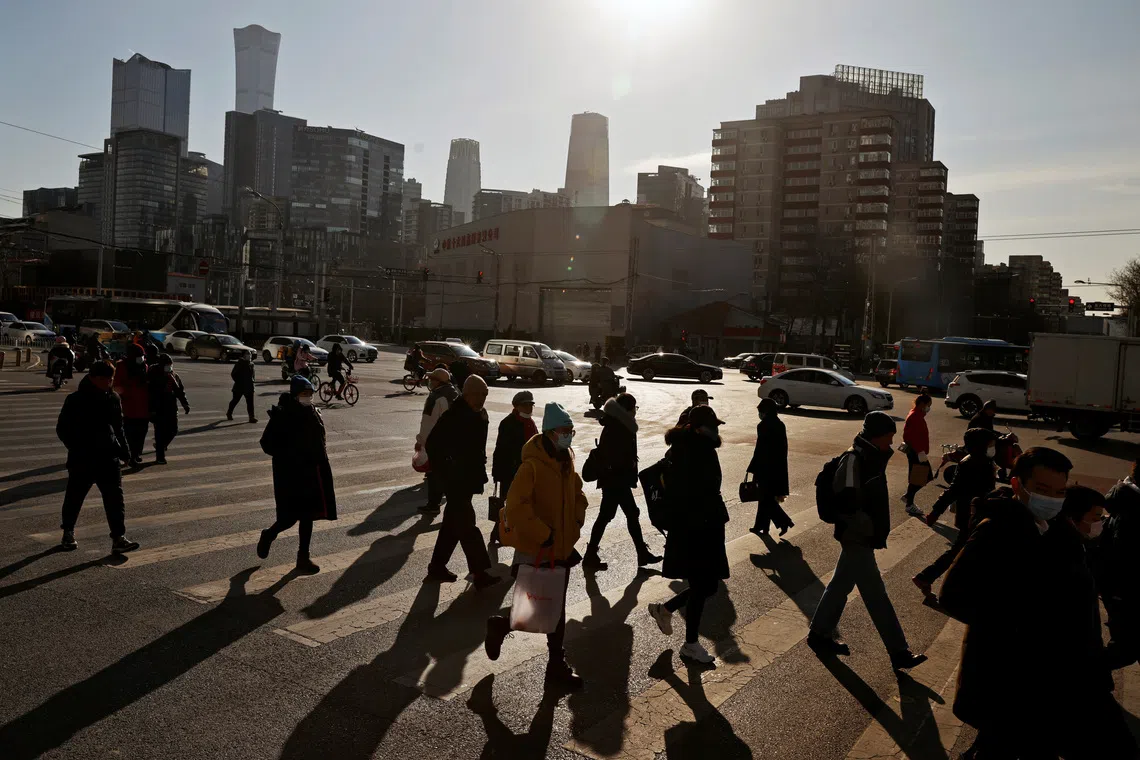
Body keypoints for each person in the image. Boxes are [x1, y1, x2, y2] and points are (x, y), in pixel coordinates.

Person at [939, 447, 1075, 756]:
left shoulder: (1058, 531)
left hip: (1039, 672)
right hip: (1000, 671)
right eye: (1042, 490)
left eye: (1059, 492)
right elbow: (952, 595)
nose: (1052, 499)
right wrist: (1013, 625)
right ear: (1017, 485)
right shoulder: (996, 531)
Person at [807, 412, 927, 670]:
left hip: (862, 535)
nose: (891, 442)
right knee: (875, 594)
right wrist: (864, 524)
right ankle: (899, 652)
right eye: (889, 437)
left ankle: (819, 634)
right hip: (856, 536)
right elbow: (846, 499)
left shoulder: (871, 456)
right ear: (877, 436)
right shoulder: (855, 458)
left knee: (840, 586)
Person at [486, 402, 589, 689]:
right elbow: (516, 507)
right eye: (564, 431)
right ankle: (503, 626)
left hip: (563, 548)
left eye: (571, 430)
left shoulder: (566, 461)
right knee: (541, 607)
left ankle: (555, 666)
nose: (569, 435)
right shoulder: (531, 466)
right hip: (537, 548)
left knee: (553, 608)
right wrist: (543, 533)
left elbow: (578, 494)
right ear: (550, 433)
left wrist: (577, 520)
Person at [1043, 486, 1137, 759]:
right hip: (1072, 672)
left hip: (1080, 668)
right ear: (1074, 517)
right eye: (1096, 516)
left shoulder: (1076, 545)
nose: (1102, 522)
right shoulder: (1059, 553)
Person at [646, 405, 730, 664]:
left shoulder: (688, 447)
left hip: (699, 525)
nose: (716, 430)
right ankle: (690, 643)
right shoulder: (694, 450)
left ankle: (667, 611)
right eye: (712, 425)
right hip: (697, 527)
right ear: (698, 427)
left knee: (705, 585)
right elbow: (694, 490)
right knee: (705, 585)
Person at [256, 375, 338, 574]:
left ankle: (303, 558)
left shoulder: (314, 411)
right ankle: (269, 534)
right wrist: (289, 455)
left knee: (307, 516)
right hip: (291, 475)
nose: (307, 397)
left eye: (310, 393)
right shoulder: (283, 415)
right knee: (289, 518)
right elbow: (266, 443)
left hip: (312, 473)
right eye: (303, 394)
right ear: (294, 396)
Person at [423, 375, 499, 588]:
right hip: (455, 481)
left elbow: (477, 449)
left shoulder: (480, 415)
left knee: (451, 526)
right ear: (466, 394)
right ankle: (480, 572)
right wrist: (447, 471)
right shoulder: (453, 415)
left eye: (485, 394)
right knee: (468, 527)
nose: (482, 399)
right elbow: (432, 445)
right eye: (478, 394)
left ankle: (437, 566)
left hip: (468, 479)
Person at [55, 361, 139, 554]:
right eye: (105, 379)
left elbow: (119, 428)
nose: (109, 382)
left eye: (111, 378)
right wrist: (76, 447)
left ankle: (118, 538)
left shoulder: (113, 399)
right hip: (82, 458)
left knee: (115, 499)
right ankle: (68, 532)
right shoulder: (75, 400)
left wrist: (125, 453)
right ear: (93, 378)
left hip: (108, 458)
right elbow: (62, 429)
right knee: (75, 497)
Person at [911, 427, 999, 600]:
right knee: (962, 551)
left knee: (963, 550)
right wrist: (935, 512)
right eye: (990, 444)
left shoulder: (984, 461)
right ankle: (927, 578)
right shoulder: (970, 463)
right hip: (971, 515)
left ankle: (927, 578)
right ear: (981, 445)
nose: (992, 447)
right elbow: (954, 490)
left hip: (978, 513)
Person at [583, 393, 660, 569]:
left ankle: (641, 553)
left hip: (616, 479)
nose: (636, 411)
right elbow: (615, 456)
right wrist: (629, 463)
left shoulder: (618, 423)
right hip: (616, 480)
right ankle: (592, 556)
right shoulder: (618, 426)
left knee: (622, 515)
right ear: (627, 409)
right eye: (634, 408)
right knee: (620, 515)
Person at [1099, 462, 1140, 670]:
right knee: (1124, 650)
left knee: (1125, 649)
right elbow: (1124, 557)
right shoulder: (1131, 511)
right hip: (1126, 595)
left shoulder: (1127, 500)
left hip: (1122, 593)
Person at [490, 390, 538, 544]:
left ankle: (520, 534)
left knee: (524, 504)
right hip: (510, 472)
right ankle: (497, 532)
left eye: (531, 405)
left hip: (527, 471)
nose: (529, 408)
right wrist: (497, 473)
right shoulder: (508, 423)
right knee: (508, 504)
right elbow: (500, 449)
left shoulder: (530, 422)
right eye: (526, 405)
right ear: (517, 406)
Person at [747, 398, 794, 537]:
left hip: (765, 468)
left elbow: (760, 449)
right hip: (777, 466)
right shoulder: (780, 424)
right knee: (765, 497)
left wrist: (752, 467)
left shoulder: (763, 425)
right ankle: (761, 526)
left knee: (765, 498)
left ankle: (784, 521)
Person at [417, 368, 459, 515]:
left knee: (434, 474)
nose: (430, 381)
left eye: (432, 379)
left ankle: (433, 504)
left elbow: (428, 422)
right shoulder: (455, 393)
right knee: (448, 472)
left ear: (438, 381)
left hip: (436, 441)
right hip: (452, 441)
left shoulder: (435, 397)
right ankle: (452, 502)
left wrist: (421, 441)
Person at [147, 354, 189, 465]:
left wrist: (185, 404)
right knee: (159, 433)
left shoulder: (174, 376)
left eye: (170, 365)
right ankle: (160, 456)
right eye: (167, 365)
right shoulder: (153, 376)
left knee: (173, 430)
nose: (169, 367)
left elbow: (180, 391)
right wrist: (151, 410)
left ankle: (161, 445)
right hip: (158, 409)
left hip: (171, 408)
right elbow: (150, 394)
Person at [113, 342, 150, 466]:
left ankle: (136, 454)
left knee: (142, 433)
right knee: (130, 435)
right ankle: (131, 456)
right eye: (139, 355)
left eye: (142, 355)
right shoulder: (122, 366)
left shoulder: (144, 366)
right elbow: (117, 386)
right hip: (129, 408)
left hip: (144, 407)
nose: (141, 358)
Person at [901, 394, 932, 517]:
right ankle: (909, 503)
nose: (929, 408)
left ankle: (908, 497)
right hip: (916, 452)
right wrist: (920, 451)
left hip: (919, 452)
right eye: (928, 405)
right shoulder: (915, 416)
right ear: (922, 404)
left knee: (922, 476)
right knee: (921, 477)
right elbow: (909, 436)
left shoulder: (917, 414)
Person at [227, 353, 258, 423]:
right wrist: (239, 381)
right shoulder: (239, 363)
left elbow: (253, 375)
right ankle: (229, 413)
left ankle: (251, 417)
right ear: (244, 356)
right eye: (247, 354)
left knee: (250, 403)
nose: (249, 356)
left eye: (250, 354)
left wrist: (252, 383)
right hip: (239, 387)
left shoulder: (251, 364)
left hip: (249, 387)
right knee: (235, 401)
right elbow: (233, 374)